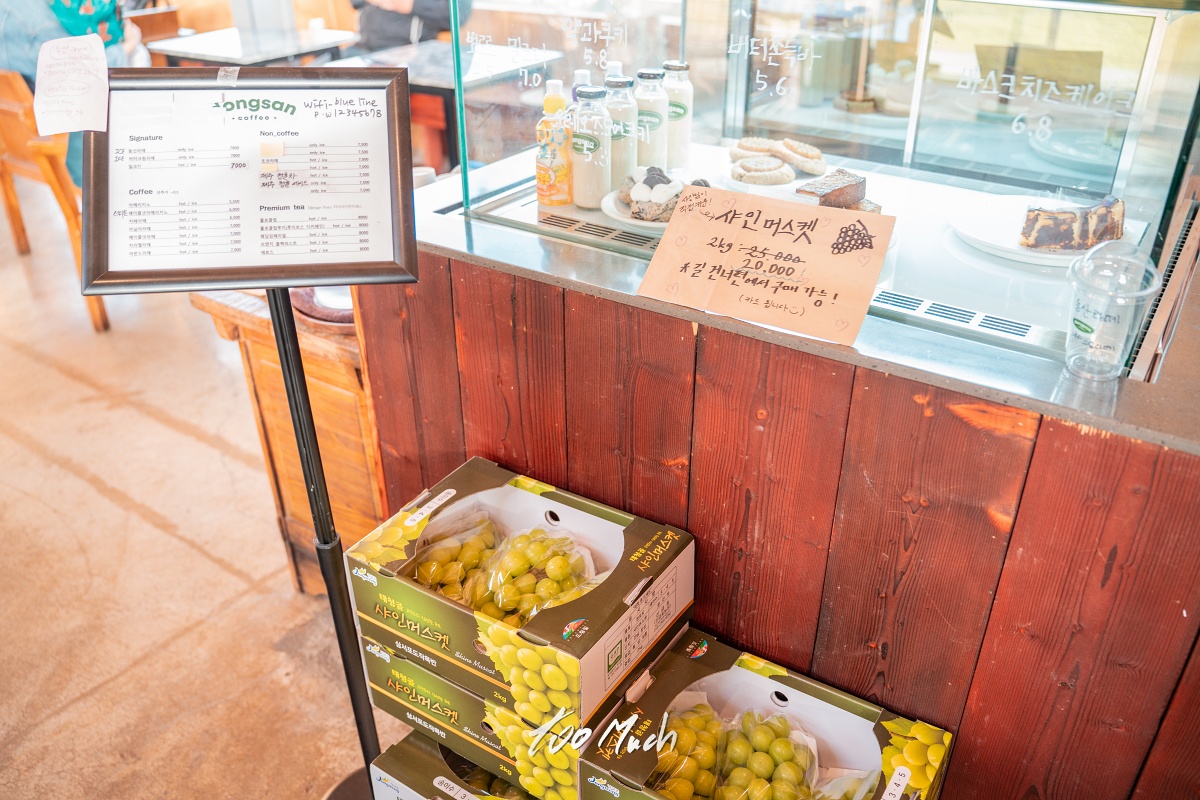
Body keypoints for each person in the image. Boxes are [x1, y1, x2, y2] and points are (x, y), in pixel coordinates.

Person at [350, 0, 472, 52]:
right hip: (363, 48)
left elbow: (458, 15)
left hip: (413, 52)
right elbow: (355, 2)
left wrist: (411, 4)